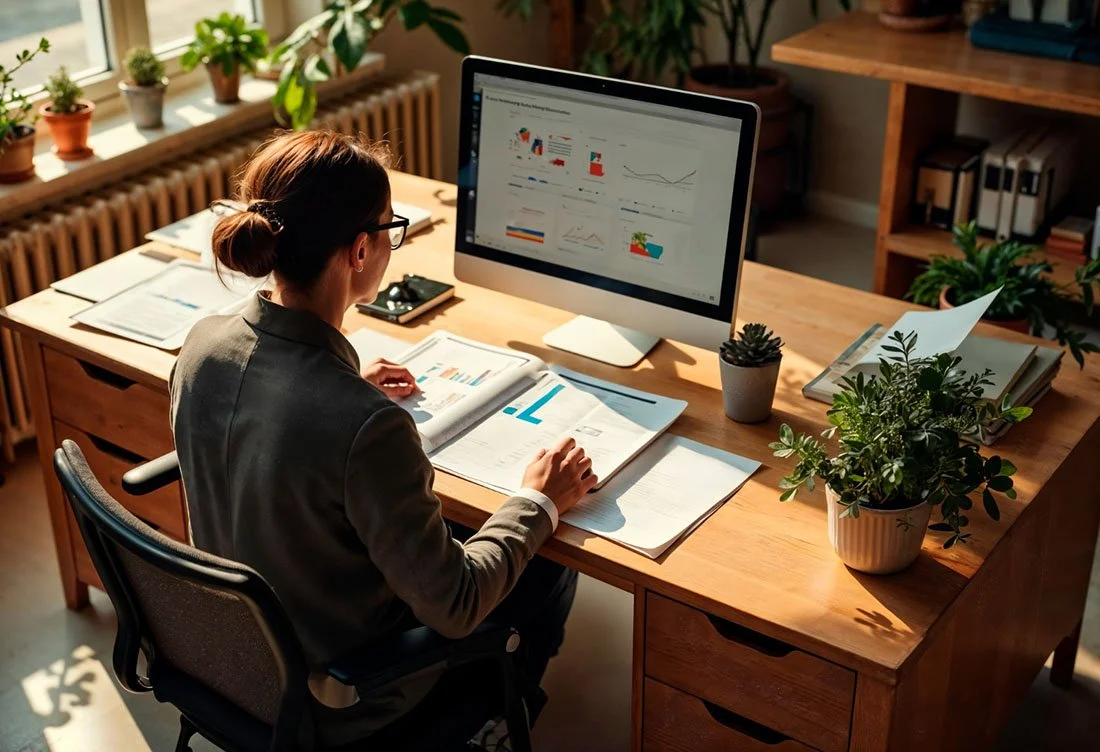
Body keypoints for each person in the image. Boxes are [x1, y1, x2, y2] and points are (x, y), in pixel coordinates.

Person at [169, 130, 596, 749]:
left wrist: (343, 383)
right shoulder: (367, 426)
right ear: (361, 250)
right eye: (392, 230)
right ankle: (493, 719)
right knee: (545, 562)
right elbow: (455, 603)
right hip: (342, 701)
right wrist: (539, 500)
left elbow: (268, 430)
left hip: (234, 664)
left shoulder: (203, 345)